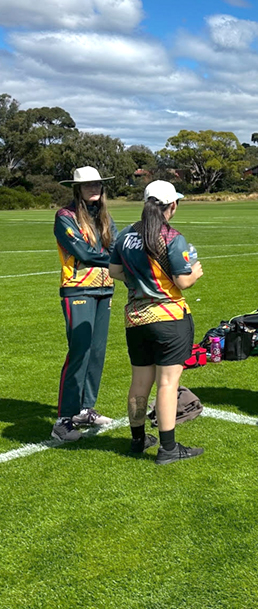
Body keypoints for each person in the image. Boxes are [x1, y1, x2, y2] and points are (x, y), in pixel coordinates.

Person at [109, 181, 204, 464]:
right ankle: (168, 448)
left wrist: (140, 279)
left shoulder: (126, 235)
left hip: (135, 318)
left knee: (139, 382)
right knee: (167, 384)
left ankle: (138, 439)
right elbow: (182, 281)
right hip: (168, 317)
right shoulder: (172, 237)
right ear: (172, 205)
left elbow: (114, 270)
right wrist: (196, 273)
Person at [52, 166, 118, 443]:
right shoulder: (64, 217)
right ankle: (64, 420)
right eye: (89, 185)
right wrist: (118, 260)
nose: (95, 189)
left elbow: (114, 247)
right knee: (79, 351)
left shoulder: (105, 217)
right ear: (77, 188)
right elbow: (84, 253)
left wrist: (116, 258)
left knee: (97, 353)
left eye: (98, 185)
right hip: (78, 289)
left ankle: (84, 409)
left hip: (104, 289)